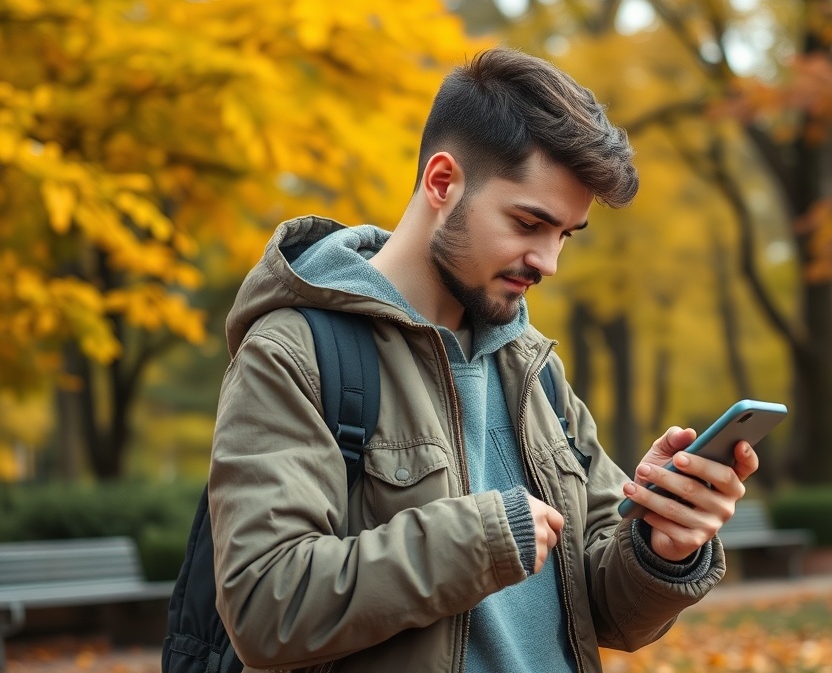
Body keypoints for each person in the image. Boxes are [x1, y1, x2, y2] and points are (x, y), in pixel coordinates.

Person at [209, 47, 759, 672]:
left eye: (564, 235)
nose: (548, 261)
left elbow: (603, 610)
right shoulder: (294, 352)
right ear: (443, 183)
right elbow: (265, 607)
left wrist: (662, 545)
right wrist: (485, 540)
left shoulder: (533, 368)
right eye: (529, 223)